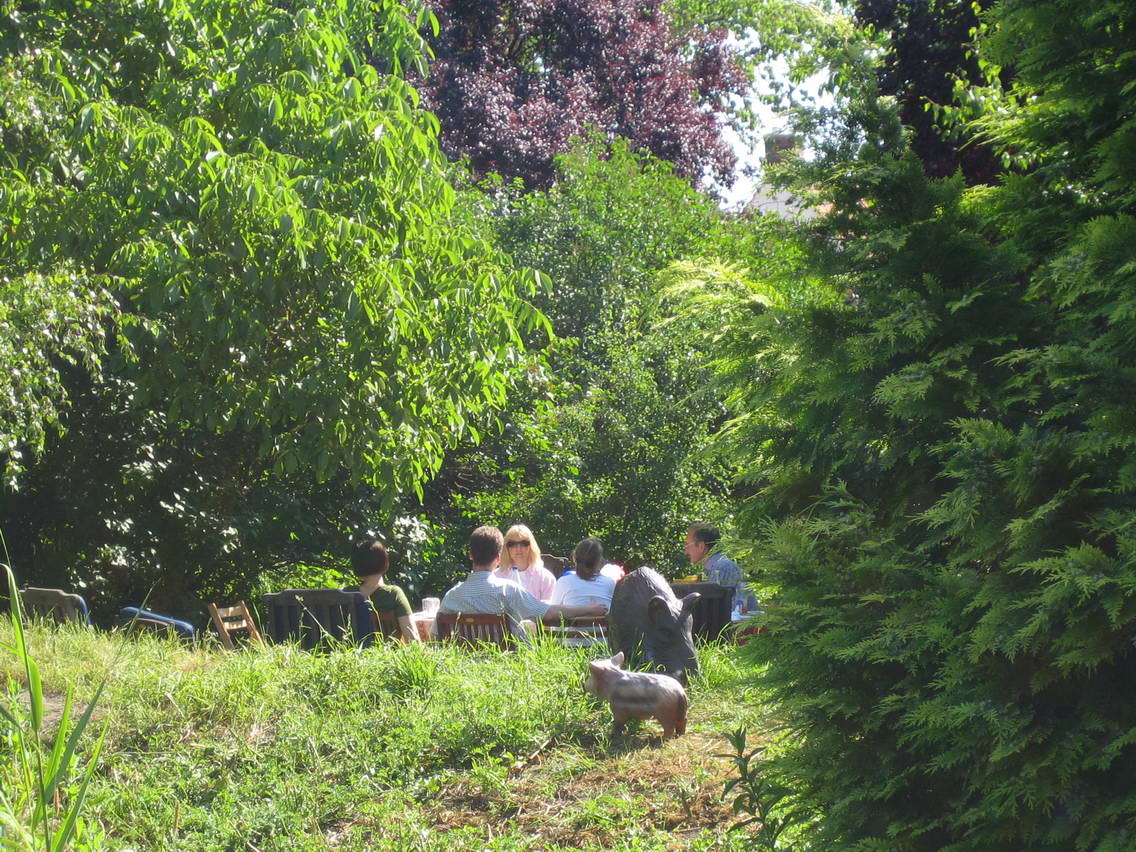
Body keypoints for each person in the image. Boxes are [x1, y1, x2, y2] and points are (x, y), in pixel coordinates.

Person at [440, 526, 607, 637]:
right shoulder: (508, 591)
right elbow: (549, 612)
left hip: (463, 669)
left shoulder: (450, 597)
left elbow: (436, 634)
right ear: (498, 558)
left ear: (470, 555)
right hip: (503, 665)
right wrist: (589, 609)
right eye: (512, 544)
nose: (518, 549)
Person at [350, 538, 422, 643]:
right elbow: (412, 638)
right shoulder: (393, 594)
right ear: (384, 561)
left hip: (351, 653)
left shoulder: (346, 594)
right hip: (388, 653)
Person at [684, 522, 756, 612]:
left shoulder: (722, 568)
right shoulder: (717, 567)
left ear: (701, 546)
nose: (685, 552)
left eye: (687, 545)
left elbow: (722, 612)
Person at [495, 524, 556, 601]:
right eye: (512, 544)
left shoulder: (546, 578)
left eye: (524, 543)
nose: (518, 548)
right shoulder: (495, 577)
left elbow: (549, 607)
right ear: (506, 548)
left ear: (531, 546)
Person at [550, 537, 616, 607]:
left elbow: (553, 610)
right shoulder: (610, 583)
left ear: (574, 558)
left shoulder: (564, 582)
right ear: (599, 560)